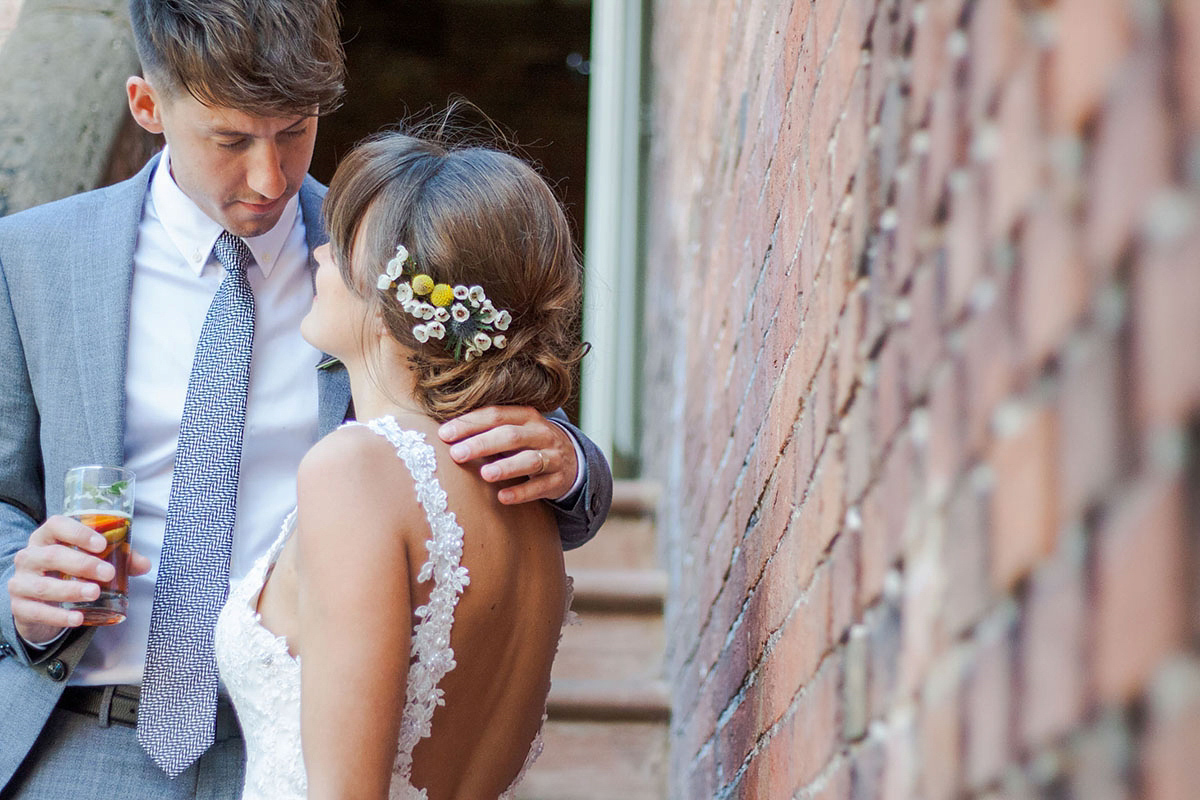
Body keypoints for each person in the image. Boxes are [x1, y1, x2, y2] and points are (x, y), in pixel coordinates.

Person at [0, 0, 611, 797]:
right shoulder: (34, 258)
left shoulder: (374, 261)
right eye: (231, 140)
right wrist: (19, 587)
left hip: (306, 739)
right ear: (147, 106)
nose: (270, 178)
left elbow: (489, 416)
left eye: (294, 130)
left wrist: (571, 463)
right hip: (81, 739)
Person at [215, 127, 581, 800]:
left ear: (399, 304)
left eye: (343, 242)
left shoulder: (355, 471)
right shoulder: (534, 520)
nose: (319, 254)